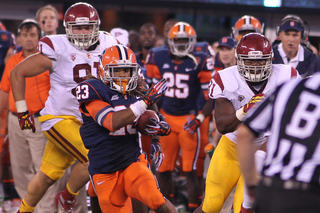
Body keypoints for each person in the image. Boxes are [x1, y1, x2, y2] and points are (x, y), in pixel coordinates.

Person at [9, 3, 118, 213]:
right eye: (78, 28)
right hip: (59, 119)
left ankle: (23, 211)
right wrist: (22, 112)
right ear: (67, 28)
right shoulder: (58, 47)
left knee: (46, 176)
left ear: (97, 27)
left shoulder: (108, 43)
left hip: (89, 122)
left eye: (88, 27)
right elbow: (17, 73)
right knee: (95, 156)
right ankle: (68, 196)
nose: (84, 32)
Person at [194, 33, 300, 213]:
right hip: (232, 146)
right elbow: (222, 125)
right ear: (239, 60)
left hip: (261, 149)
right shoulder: (226, 78)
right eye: (249, 61)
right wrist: (244, 111)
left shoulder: (286, 75)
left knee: (242, 209)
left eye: (261, 61)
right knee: (211, 205)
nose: (256, 66)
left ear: (270, 60)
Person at [76, 44, 176, 213]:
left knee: (158, 201)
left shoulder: (139, 89)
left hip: (132, 161)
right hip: (105, 169)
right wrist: (144, 102)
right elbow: (111, 122)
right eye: (117, 71)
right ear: (103, 71)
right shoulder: (94, 91)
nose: (123, 76)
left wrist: (157, 133)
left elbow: (151, 109)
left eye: (127, 71)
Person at [146, 21, 213, 213]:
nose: (182, 44)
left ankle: (193, 210)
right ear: (170, 41)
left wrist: (199, 119)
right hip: (166, 118)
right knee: (163, 169)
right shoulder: (157, 56)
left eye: (186, 40)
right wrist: (156, 117)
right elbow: (152, 92)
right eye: (178, 40)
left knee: (191, 171)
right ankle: (167, 208)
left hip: (187, 121)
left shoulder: (200, 59)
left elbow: (211, 98)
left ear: (193, 41)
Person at [237, 74, 320, 213]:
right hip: (309, 195)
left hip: (269, 190)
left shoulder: (289, 87)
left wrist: (251, 185)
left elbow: (244, 135)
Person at [0, 19, 52, 213]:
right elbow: (5, 90)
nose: (28, 39)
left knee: (43, 171)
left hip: (39, 121)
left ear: (39, 37)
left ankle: (46, 210)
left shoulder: (47, 59)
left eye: (32, 35)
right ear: (19, 37)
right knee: (20, 169)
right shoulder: (13, 60)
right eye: (25, 35)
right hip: (15, 120)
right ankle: (29, 208)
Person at [272, 14, 320, 78]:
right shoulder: (269, 56)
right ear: (280, 35)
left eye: (295, 35)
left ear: (302, 36)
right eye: (287, 34)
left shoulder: (313, 60)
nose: (291, 40)